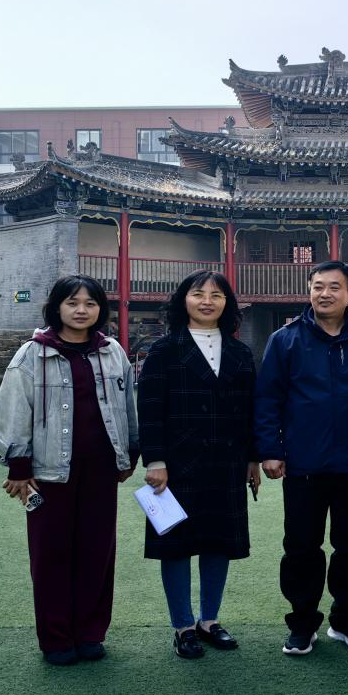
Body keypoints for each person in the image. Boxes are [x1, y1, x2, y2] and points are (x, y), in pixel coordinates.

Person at [0, 275, 139, 665]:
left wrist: (129, 454)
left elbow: (128, 406)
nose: (81, 310)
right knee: (51, 556)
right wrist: (18, 466)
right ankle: (56, 639)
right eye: (72, 302)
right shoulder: (32, 354)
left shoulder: (112, 352)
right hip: (48, 473)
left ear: (100, 309)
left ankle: (90, 633)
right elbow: (13, 410)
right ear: (57, 307)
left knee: (97, 553)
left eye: (90, 303)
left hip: (101, 470)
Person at [255, 261, 348, 656]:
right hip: (303, 463)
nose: (325, 293)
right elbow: (268, 399)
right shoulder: (285, 339)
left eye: (334, 287)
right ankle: (302, 624)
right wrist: (270, 450)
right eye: (318, 286)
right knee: (301, 547)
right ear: (309, 290)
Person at [137, 270, 258, 659]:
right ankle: (183, 626)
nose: (207, 301)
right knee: (175, 545)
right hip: (176, 464)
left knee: (218, 542)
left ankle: (209, 620)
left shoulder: (241, 352)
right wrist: (155, 459)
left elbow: (250, 411)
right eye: (198, 293)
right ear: (183, 300)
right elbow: (150, 409)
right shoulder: (163, 349)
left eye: (216, 295)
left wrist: (252, 458)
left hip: (227, 461)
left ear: (227, 304)